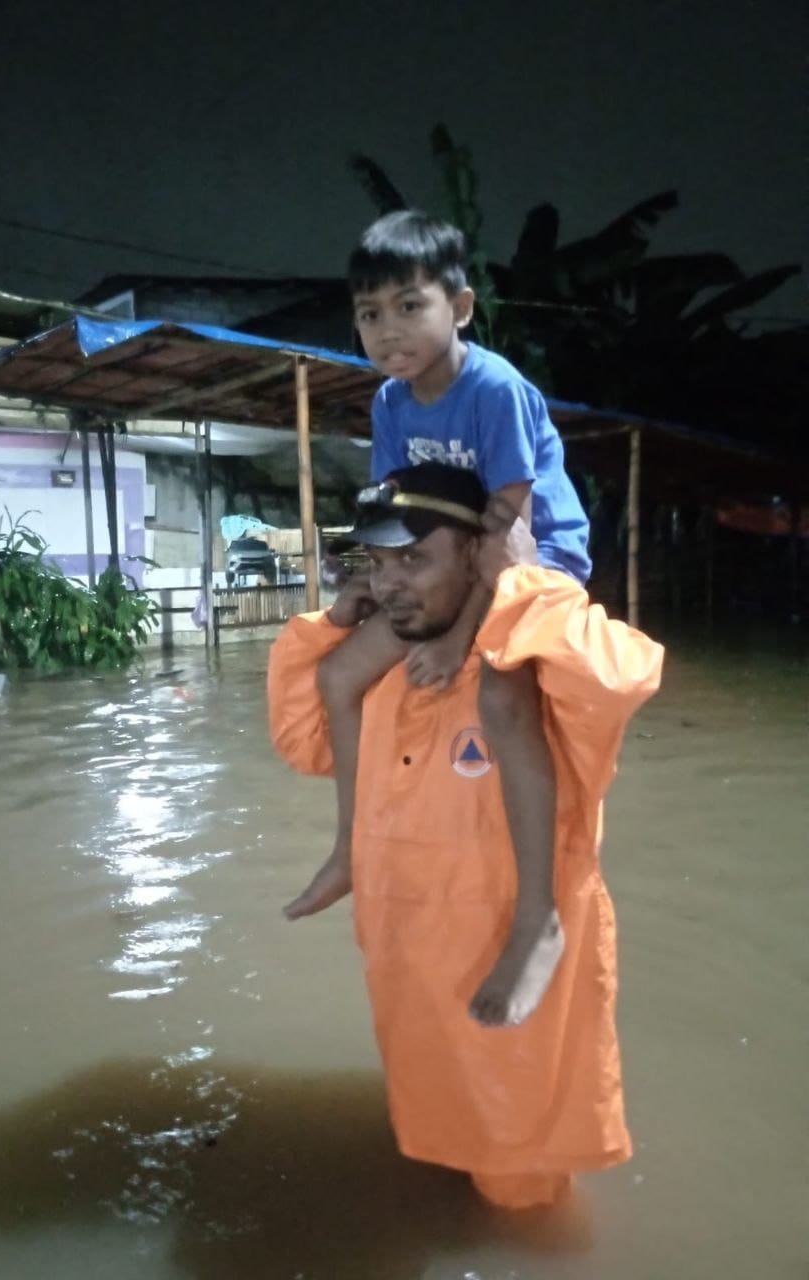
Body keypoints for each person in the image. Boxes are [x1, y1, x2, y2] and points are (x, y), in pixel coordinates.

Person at [268, 463, 663, 1209]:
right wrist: (334, 626)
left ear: (477, 561)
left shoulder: (540, 678)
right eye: (380, 563)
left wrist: (521, 582)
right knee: (437, 1146)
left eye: (414, 560)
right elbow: (301, 739)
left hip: (512, 1015)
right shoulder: (382, 678)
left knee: (523, 1196)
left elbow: (621, 677)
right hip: (413, 992)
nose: (389, 583)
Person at [285, 210, 591, 1029]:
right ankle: (349, 848)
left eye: (408, 306)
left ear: (458, 307)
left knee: (499, 698)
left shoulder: (493, 389)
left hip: (534, 550)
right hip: (454, 554)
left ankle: (539, 916)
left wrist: (463, 638)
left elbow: (507, 527)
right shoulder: (391, 402)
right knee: (339, 671)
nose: (387, 330)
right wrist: (363, 586)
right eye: (369, 314)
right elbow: (398, 513)